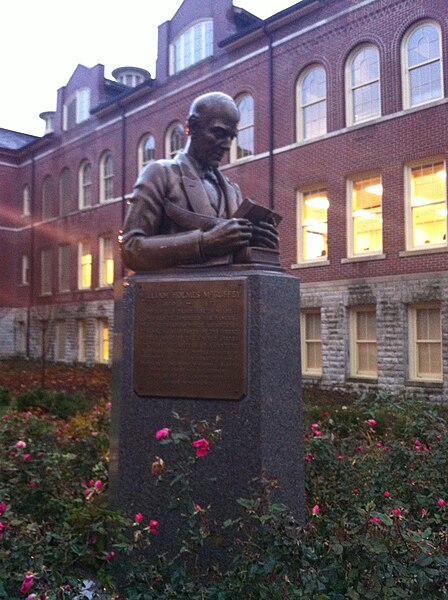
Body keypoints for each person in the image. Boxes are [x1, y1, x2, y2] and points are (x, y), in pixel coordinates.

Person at [120, 91, 278, 271]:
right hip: (177, 293)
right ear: (192, 126)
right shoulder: (160, 173)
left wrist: (257, 242)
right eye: (219, 133)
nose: (226, 145)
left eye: (231, 137)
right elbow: (131, 248)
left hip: (225, 293)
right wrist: (203, 243)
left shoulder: (232, 190)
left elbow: (232, 256)